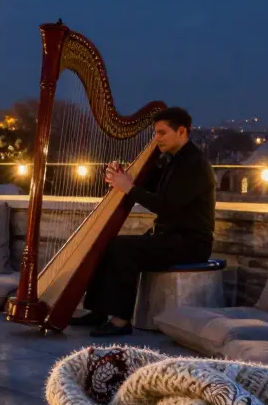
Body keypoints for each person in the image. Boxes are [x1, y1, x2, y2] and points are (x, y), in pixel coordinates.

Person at [74, 106, 216, 336]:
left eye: (162, 133)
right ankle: (99, 312)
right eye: (155, 133)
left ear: (182, 132)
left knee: (122, 249)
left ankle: (121, 321)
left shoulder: (195, 164)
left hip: (190, 243)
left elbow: (165, 205)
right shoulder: (173, 160)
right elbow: (151, 186)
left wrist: (128, 188)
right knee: (108, 243)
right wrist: (122, 176)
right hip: (169, 237)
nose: (156, 138)